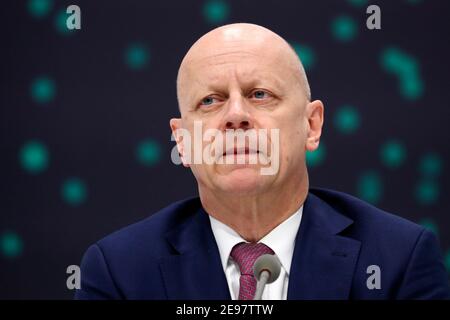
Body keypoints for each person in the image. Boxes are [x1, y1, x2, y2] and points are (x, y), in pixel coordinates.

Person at [75, 23, 450, 300]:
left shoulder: (400, 260)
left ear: (311, 125)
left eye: (259, 94)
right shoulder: (118, 272)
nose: (235, 116)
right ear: (182, 142)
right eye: (210, 100)